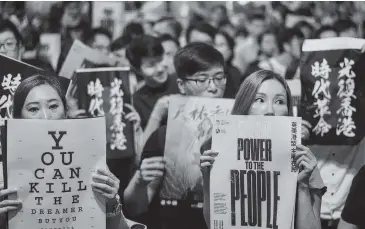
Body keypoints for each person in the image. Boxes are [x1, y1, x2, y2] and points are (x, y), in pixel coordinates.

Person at [0, 74, 130, 229]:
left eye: (53, 106)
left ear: (66, 111)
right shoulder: (5, 175)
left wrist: (111, 204)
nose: (46, 117)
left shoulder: (92, 163)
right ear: (18, 118)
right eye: (33, 109)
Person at [200, 70, 326, 229]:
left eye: (279, 101)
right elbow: (214, 223)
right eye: (259, 99)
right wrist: (207, 179)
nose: (270, 110)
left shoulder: (302, 157)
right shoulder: (218, 151)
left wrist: (302, 185)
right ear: (244, 104)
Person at [124, 42, 227, 229]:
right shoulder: (164, 137)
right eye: (202, 79)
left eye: (219, 78)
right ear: (181, 85)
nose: (213, 87)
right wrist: (140, 179)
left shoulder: (238, 131)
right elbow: (134, 207)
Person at [126, 35, 178, 130]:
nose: (160, 68)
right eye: (151, 65)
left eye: (161, 60)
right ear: (138, 70)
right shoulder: (138, 100)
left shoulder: (181, 80)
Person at [214, 30, 241, 98]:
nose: (216, 48)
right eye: (214, 44)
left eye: (221, 45)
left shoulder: (235, 73)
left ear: (230, 50)